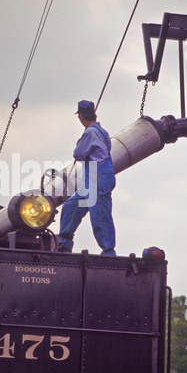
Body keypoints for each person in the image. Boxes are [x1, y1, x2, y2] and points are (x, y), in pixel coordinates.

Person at [58, 100, 116, 256]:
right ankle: (64, 243)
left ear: (81, 116)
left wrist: (79, 144)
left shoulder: (90, 132)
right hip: (92, 179)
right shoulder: (102, 132)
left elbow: (78, 154)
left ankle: (109, 252)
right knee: (71, 206)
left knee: (100, 216)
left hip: (97, 178)